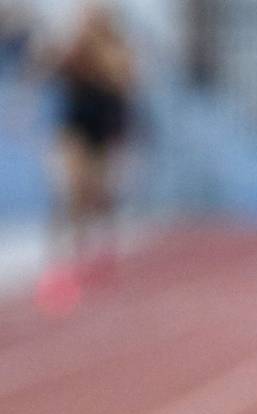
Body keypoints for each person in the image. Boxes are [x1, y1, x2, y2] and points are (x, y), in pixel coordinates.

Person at [36, 4, 134, 313]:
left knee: (100, 194)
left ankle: (98, 249)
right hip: (75, 130)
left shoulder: (117, 51)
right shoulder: (74, 49)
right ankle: (62, 259)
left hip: (104, 131)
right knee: (70, 191)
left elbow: (125, 82)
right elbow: (45, 67)